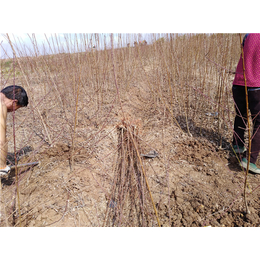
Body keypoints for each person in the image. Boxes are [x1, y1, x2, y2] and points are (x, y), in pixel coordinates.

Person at [232, 33, 260, 174]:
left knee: (240, 114)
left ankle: (237, 145)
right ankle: (249, 160)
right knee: (259, 123)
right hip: (257, 85)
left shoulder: (248, 35)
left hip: (238, 82)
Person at [0, 85, 28, 177]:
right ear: (14, 102)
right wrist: (2, 167)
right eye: (17, 107)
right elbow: (1, 140)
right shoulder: (1, 105)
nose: (13, 111)